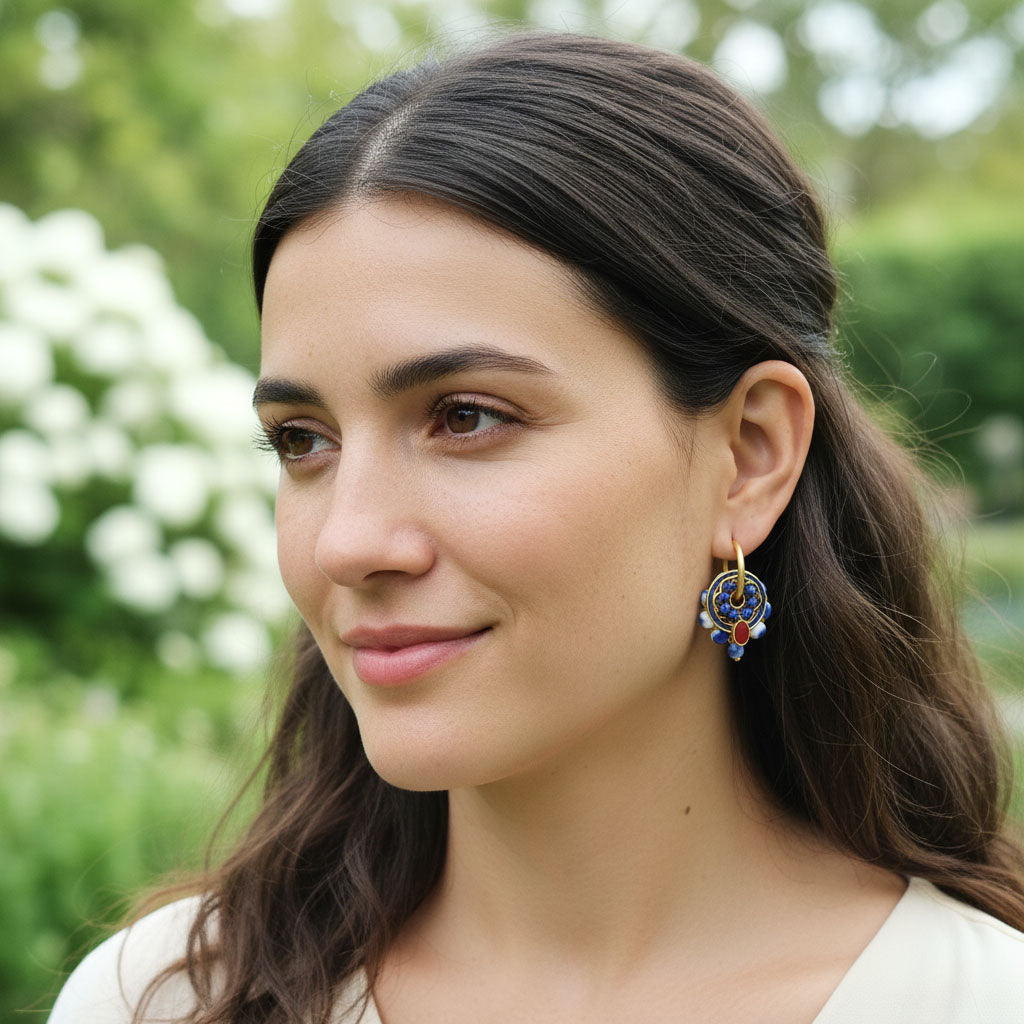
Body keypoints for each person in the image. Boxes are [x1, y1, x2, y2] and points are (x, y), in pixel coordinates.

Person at [49, 28, 1024, 1024]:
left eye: (465, 416)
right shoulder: (161, 1003)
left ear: (748, 456)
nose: (347, 542)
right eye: (304, 440)